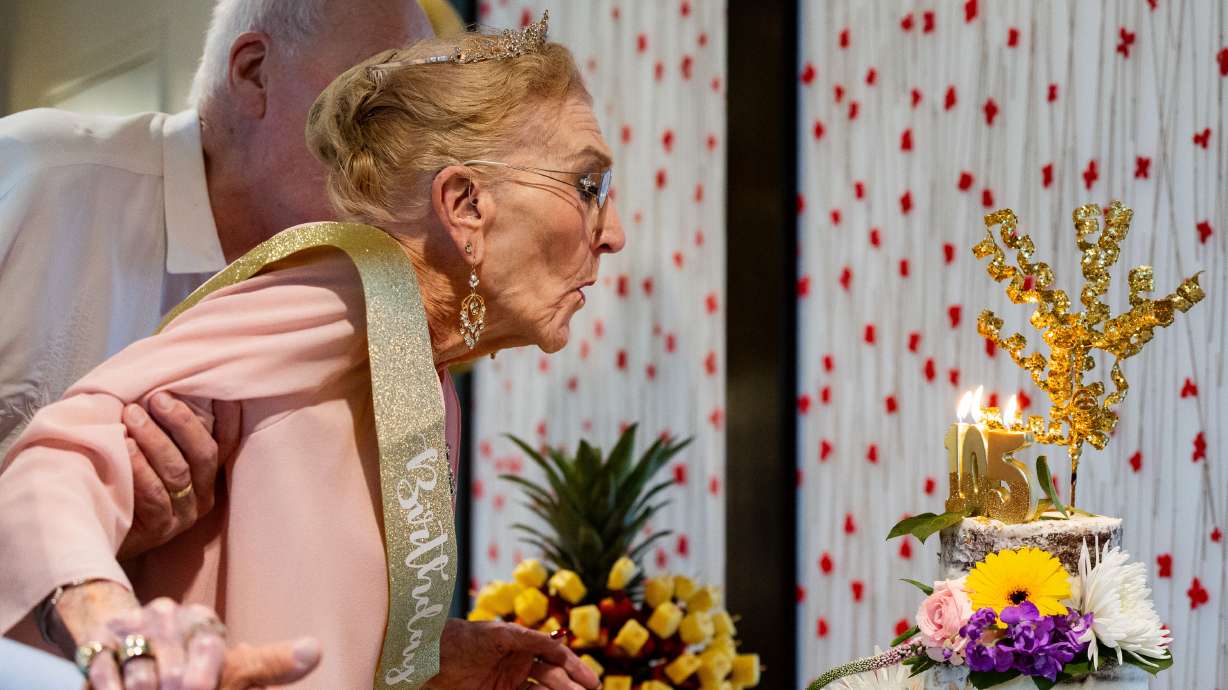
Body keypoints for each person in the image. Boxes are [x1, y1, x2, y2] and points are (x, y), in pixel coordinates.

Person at [0, 13, 622, 690]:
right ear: (465, 204)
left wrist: (423, 665)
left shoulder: (421, 375)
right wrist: (111, 625)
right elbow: (53, 466)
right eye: (589, 187)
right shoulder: (331, 300)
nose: (612, 233)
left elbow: (296, 605)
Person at [0, 0, 443, 565]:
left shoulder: (350, 307)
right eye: (377, 106)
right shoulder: (33, 182)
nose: (407, 155)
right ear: (253, 71)